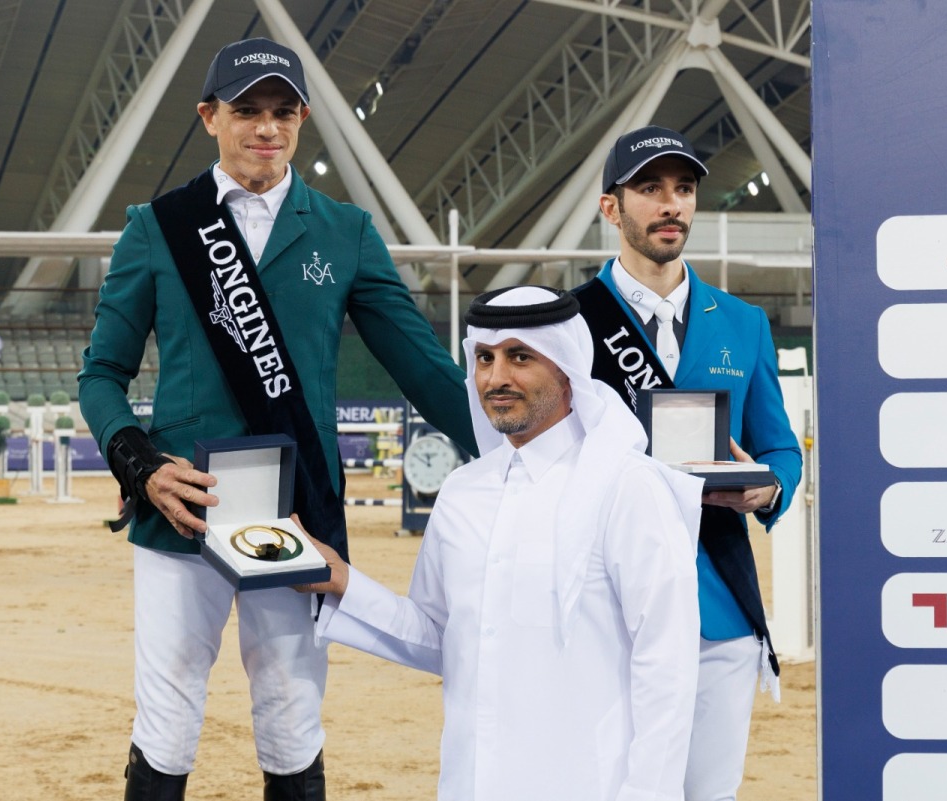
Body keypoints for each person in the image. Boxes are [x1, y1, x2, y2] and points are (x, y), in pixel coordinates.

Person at [77, 37, 476, 801]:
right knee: (166, 718)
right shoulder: (157, 228)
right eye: (246, 110)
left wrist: (520, 448)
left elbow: (424, 369)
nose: (266, 127)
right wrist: (142, 464)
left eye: (282, 111)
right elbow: (101, 375)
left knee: (293, 717)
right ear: (208, 117)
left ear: (302, 118)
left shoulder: (346, 231)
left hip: (298, 518)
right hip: (181, 514)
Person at [298, 286, 705, 801]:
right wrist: (342, 580)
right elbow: (444, 638)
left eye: (520, 357)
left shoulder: (628, 487)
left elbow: (666, 665)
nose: (496, 378)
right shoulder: (463, 492)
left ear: (566, 369)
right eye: (485, 359)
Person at [573, 125, 803, 801]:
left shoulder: (743, 323)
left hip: (718, 610)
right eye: (649, 188)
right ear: (611, 208)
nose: (671, 203)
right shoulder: (566, 324)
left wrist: (766, 489)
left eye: (683, 188)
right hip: (602, 610)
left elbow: (781, 449)